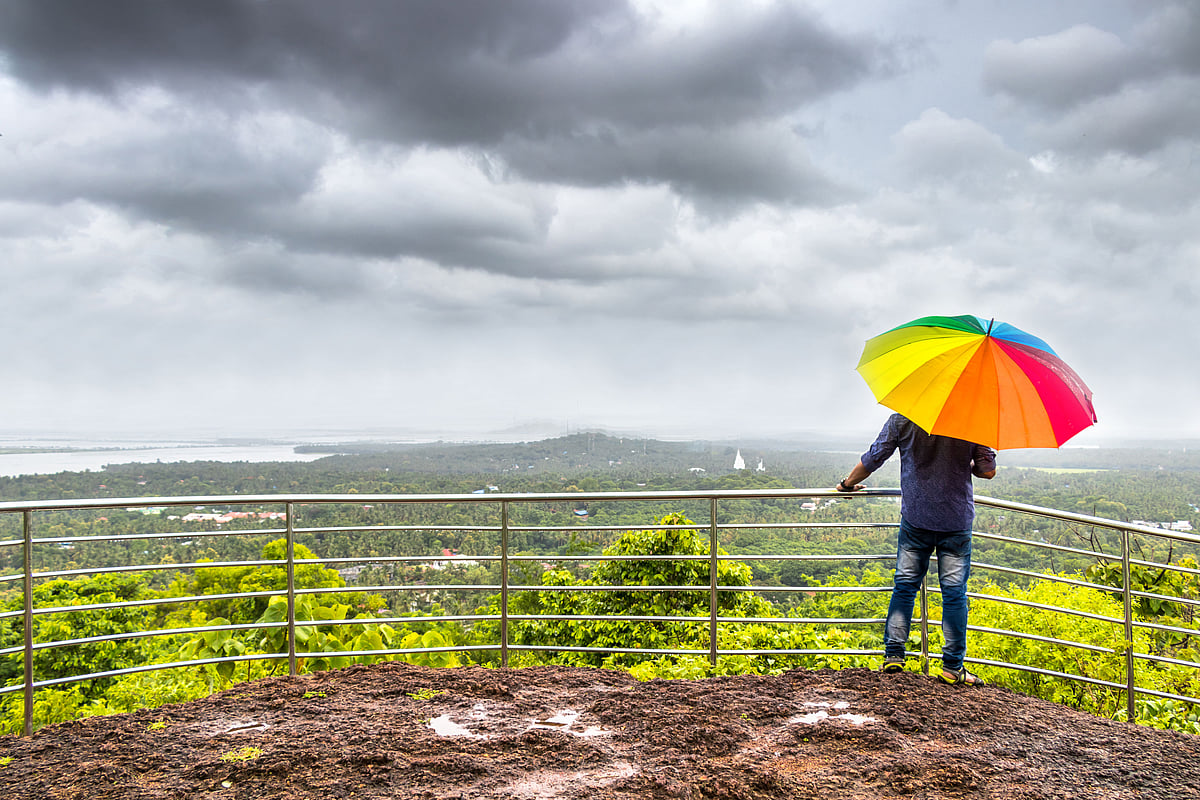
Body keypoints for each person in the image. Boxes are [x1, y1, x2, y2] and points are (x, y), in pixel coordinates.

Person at [835, 412, 996, 686]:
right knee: (955, 595)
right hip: (955, 521)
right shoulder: (974, 418)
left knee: (905, 586)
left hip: (916, 519)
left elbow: (873, 458)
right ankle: (952, 667)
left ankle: (894, 656)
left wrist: (847, 484)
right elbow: (987, 471)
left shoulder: (903, 418)